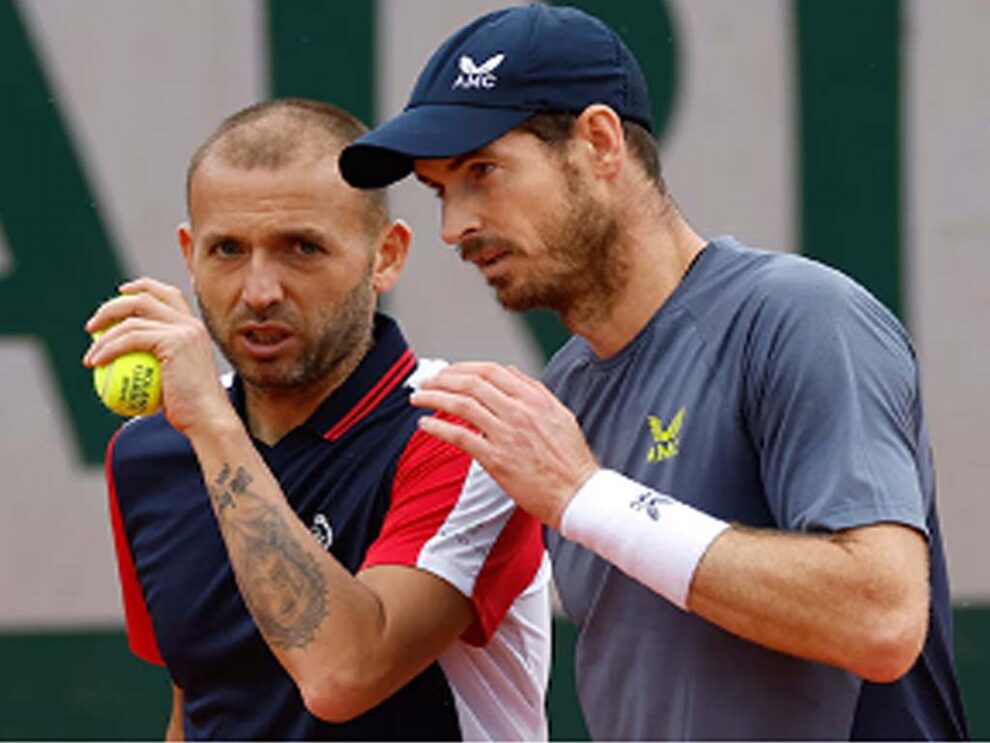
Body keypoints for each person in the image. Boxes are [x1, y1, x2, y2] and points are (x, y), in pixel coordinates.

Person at [338, 5, 969, 740]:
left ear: (600, 142)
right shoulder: (566, 394)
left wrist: (587, 496)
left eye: (483, 172)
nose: (455, 227)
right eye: (441, 190)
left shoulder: (800, 316)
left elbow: (882, 618)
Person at [83, 98, 551, 741]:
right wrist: (206, 426)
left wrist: (212, 427)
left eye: (302, 248)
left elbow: (344, 675)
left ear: (385, 256)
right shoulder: (147, 454)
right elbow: (199, 703)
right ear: (189, 256)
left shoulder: (464, 430)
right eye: (227, 250)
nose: (259, 291)